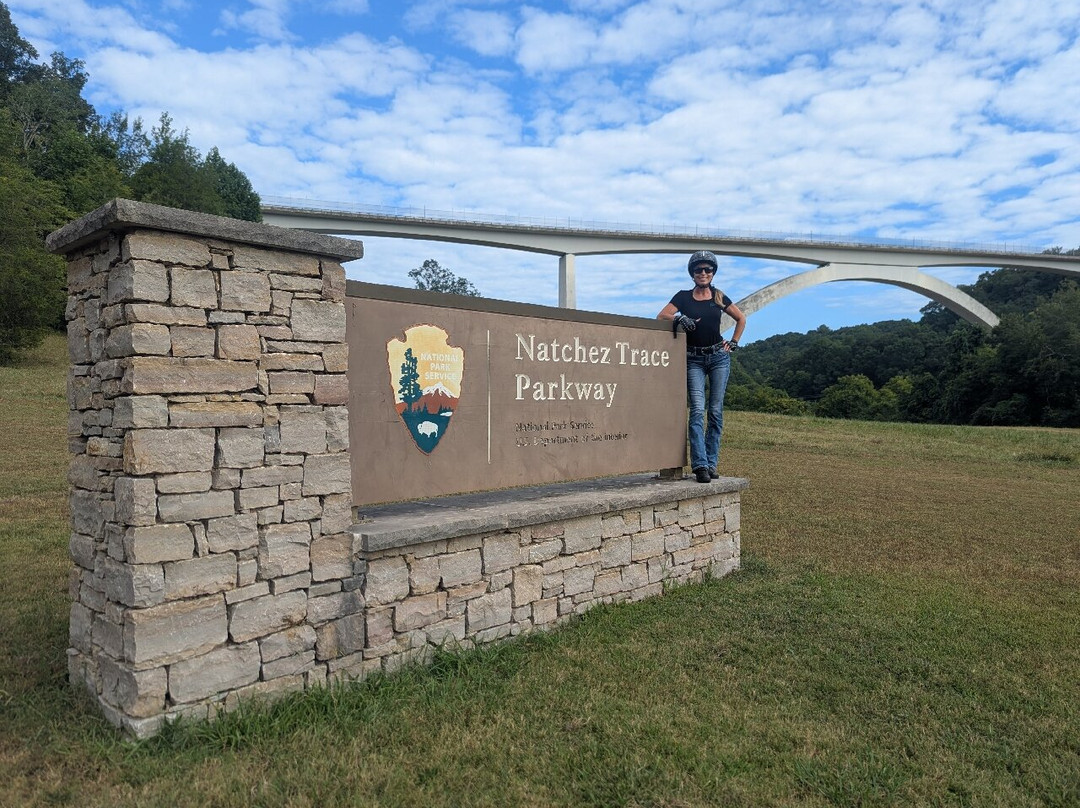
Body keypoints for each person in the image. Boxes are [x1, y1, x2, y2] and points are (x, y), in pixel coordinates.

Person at [657, 250, 747, 483]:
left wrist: (734, 343)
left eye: (708, 269)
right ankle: (700, 465)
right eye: (699, 270)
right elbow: (662, 315)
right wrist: (679, 319)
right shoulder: (683, 297)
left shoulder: (718, 296)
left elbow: (741, 318)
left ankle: (712, 463)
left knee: (715, 412)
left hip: (718, 357)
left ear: (713, 272)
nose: (703, 273)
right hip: (693, 359)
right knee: (697, 410)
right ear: (692, 274)